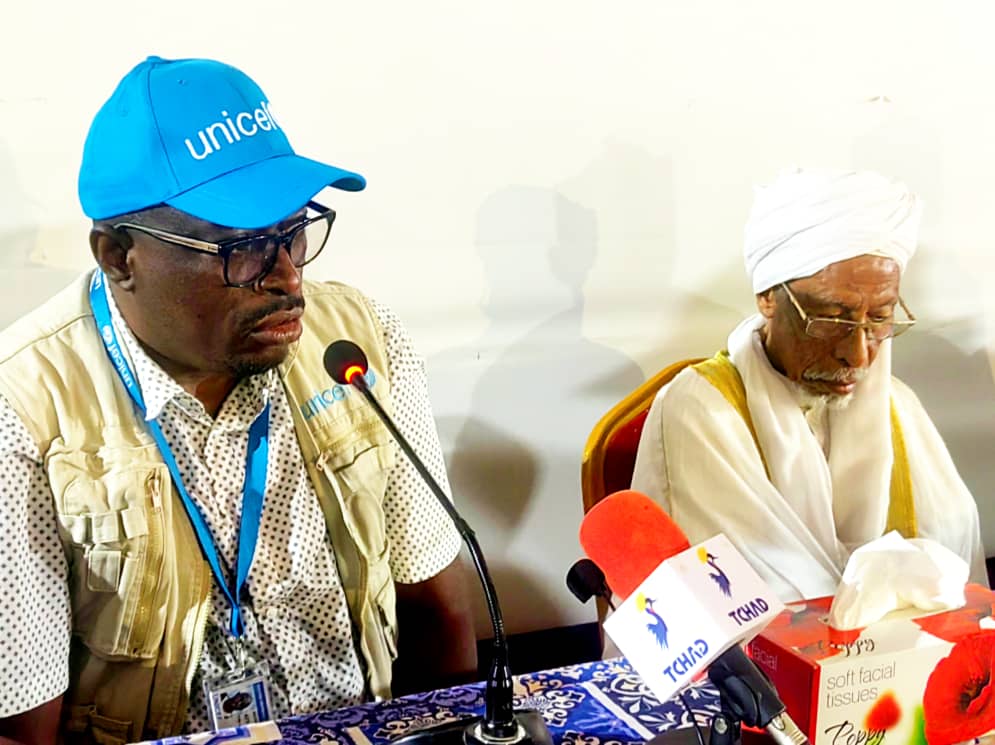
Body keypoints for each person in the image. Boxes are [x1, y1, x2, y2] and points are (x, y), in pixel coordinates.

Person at [0, 56, 476, 743]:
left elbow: (435, 605)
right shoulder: (22, 410)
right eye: (244, 247)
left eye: (293, 232)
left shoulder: (358, 340)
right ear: (119, 256)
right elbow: (23, 725)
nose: (288, 278)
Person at [631, 167, 986, 603]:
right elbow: (740, 594)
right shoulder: (701, 409)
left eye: (880, 318)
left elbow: (955, 556)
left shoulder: (897, 404)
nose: (859, 356)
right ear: (768, 298)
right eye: (831, 320)